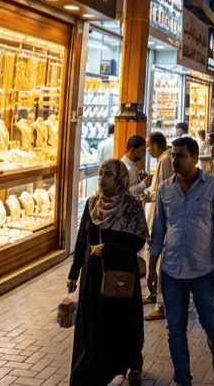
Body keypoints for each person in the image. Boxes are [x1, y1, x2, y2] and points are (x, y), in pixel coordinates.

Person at [147, 136, 214, 385]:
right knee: (175, 331)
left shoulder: (213, 187)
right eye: (172, 155)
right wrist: (152, 269)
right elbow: (158, 232)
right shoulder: (165, 189)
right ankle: (182, 378)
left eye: (180, 155)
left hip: (203, 271)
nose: (174, 160)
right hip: (171, 271)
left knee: (212, 323)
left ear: (195, 158)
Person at [67, 159, 148, 386]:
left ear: (119, 178)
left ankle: (132, 364)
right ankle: (92, 372)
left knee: (124, 323)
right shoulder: (93, 203)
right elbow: (83, 239)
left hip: (121, 274)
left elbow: (138, 240)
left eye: (108, 175)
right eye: (101, 174)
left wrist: (110, 249)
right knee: (92, 324)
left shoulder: (131, 205)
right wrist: (74, 273)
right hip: (93, 276)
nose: (102, 178)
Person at [143, 131, 172, 321]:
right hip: (159, 213)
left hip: (160, 214)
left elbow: (161, 190)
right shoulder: (165, 159)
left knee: (157, 256)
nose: (147, 150)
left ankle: (160, 304)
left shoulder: (164, 160)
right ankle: (155, 294)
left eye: (148, 146)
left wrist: (147, 196)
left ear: (155, 145)